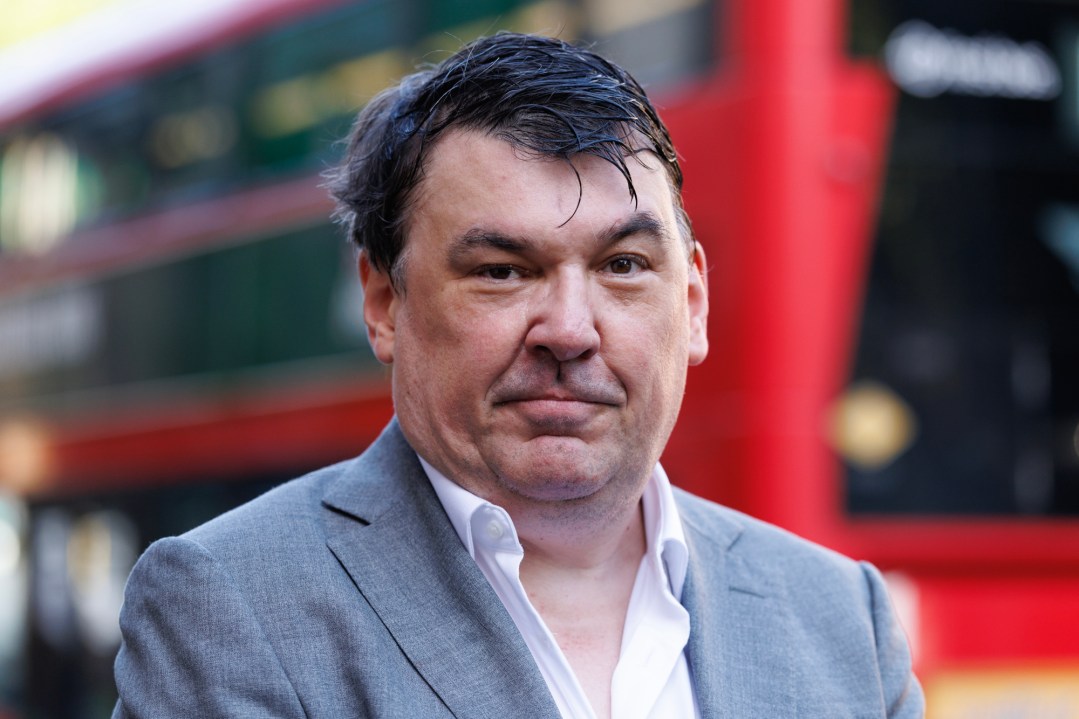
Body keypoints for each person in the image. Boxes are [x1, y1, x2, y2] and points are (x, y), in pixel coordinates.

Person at [111, 33, 923, 718]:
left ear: (692, 303)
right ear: (385, 303)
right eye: (501, 271)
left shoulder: (841, 616)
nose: (569, 330)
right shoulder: (229, 604)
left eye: (623, 265)